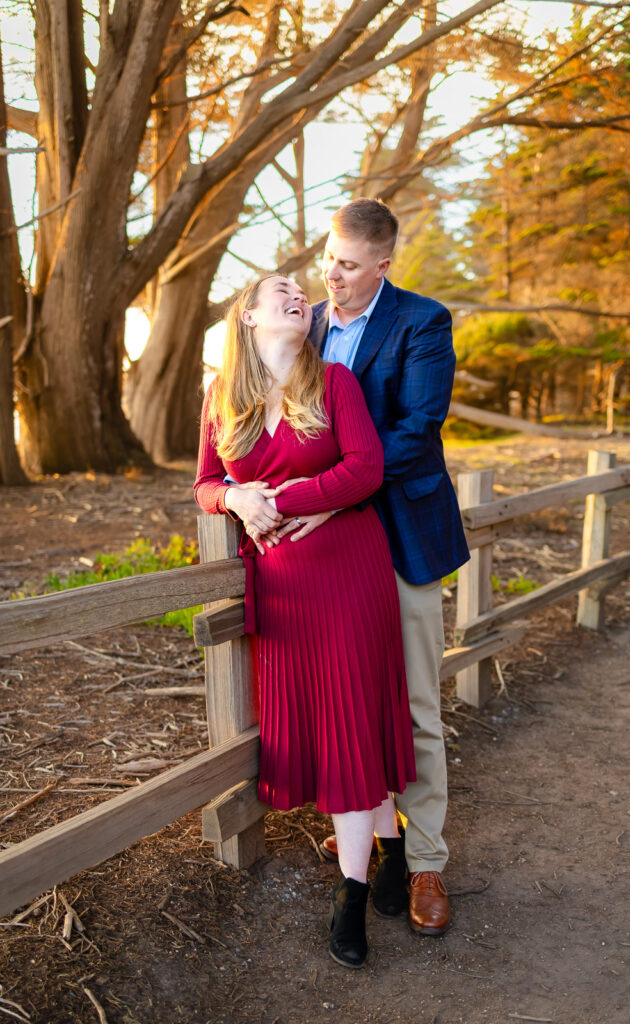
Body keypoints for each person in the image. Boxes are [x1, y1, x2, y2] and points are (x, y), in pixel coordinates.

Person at [194, 275, 416, 968]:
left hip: (347, 572)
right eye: (278, 289)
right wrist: (235, 499)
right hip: (282, 592)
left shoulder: (336, 383)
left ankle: (350, 897)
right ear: (249, 314)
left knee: (349, 724)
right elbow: (203, 483)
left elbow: (365, 470)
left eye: (301, 290)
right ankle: (396, 853)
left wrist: (287, 498)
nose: (297, 295)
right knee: (334, 727)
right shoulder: (222, 396)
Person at [273, 199, 470, 936]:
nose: (334, 274)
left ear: (383, 265)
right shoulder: (310, 325)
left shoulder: (422, 321)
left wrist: (331, 493)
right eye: (329, 258)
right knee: (352, 696)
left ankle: (424, 860)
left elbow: (417, 431)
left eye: (350, 265)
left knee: (416, 702)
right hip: (327, 553)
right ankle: (371, 828)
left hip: (400, 536)